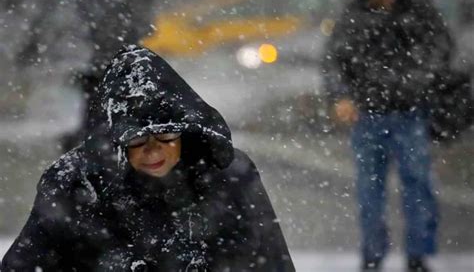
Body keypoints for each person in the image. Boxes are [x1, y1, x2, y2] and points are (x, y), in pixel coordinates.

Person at [1, 45, 295, 271]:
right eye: (137, 140)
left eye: (167, 137)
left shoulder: (225, 173)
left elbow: (269, 260)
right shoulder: (74, 183)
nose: (153, 150)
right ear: (114, 140)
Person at [324, 0, 454, 272]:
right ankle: (375, 255)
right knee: (373, 191)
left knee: (413, 187)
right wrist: (341, 96)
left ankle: (415, 255)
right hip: (371, 115)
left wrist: (419, 82)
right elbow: (334, 61)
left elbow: (439, 51)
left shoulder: (415, 15)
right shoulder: (356, 19)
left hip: (407, 113)